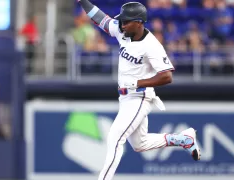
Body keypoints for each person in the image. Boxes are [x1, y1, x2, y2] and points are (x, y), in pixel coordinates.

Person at [76, 1, 201, 180]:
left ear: (139, 22)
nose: (122, 24)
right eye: (122, 21)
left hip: (140, 97)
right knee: (139, 144)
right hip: (126, 98)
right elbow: (101, 19)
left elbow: (166, 76)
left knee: (115, 138)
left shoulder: (152, 45)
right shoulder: (122, 30)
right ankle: (183, 139)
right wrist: (84, 2)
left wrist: (138, 83)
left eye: (127, 21)